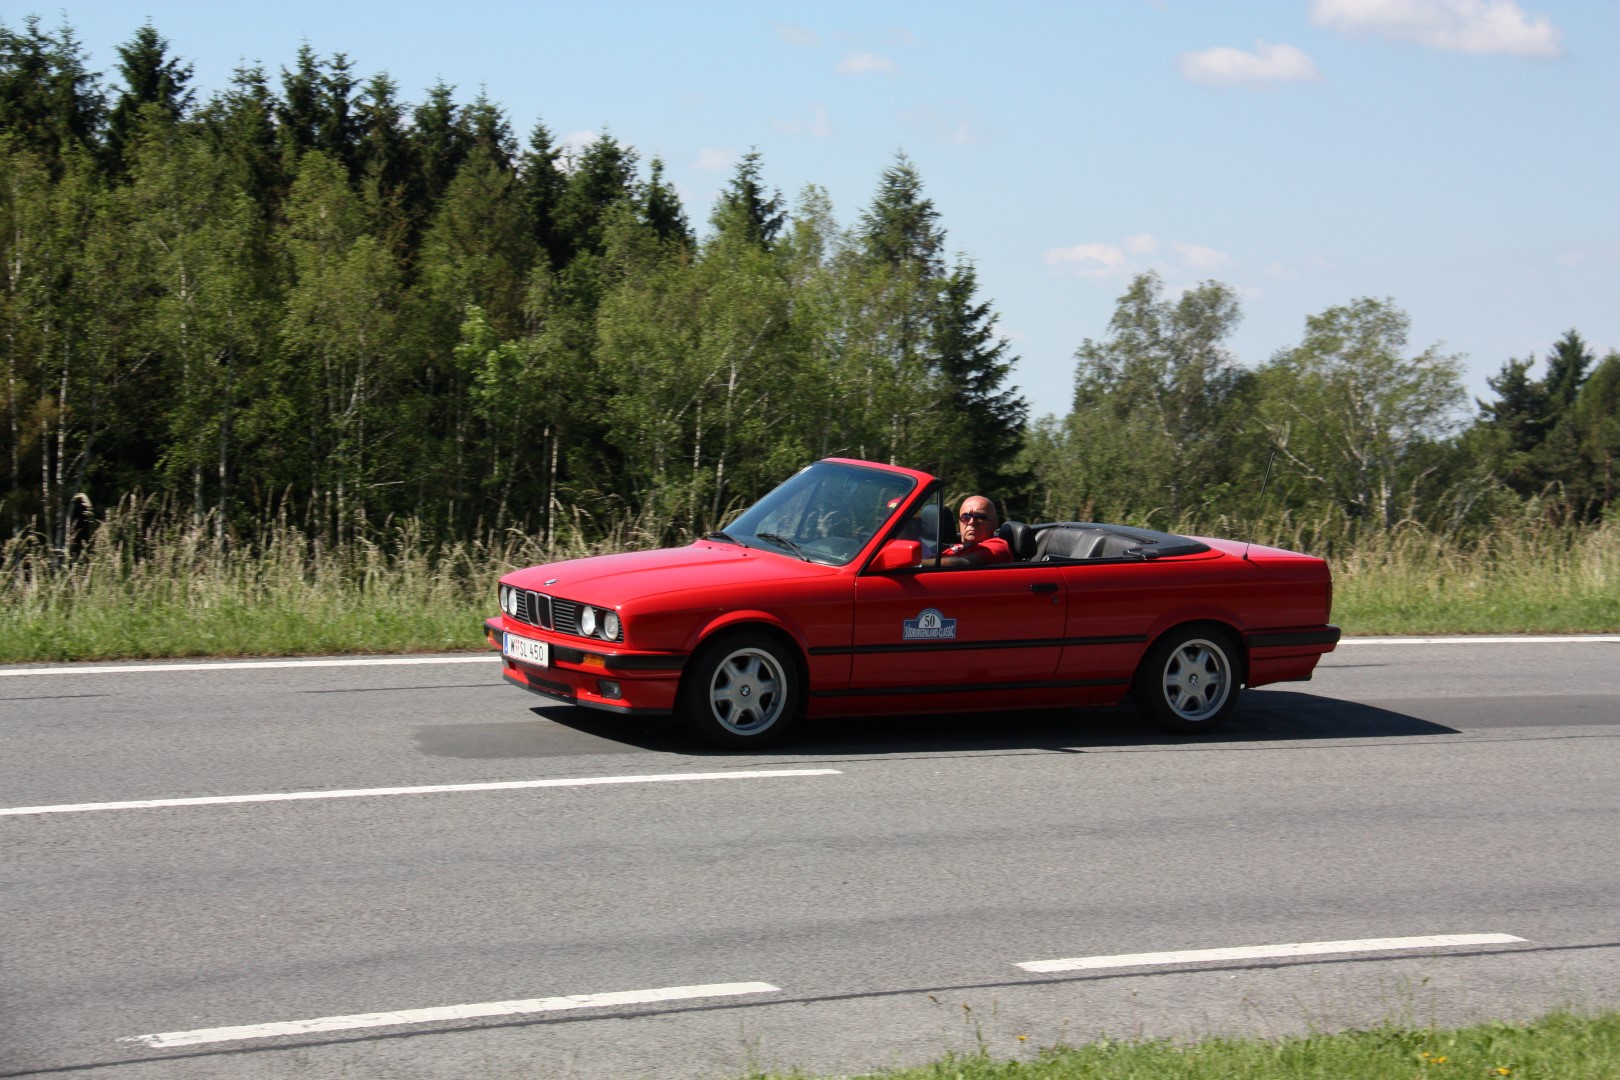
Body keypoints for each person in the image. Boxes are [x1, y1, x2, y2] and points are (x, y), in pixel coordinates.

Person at [939, 495, 1012, 566]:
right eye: (965, 517)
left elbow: (963, 563)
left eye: (980, 517)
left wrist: (927, 565)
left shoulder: (998, 546)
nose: (971, 522)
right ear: (959, 523)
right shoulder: (953, 549)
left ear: (994, 524)